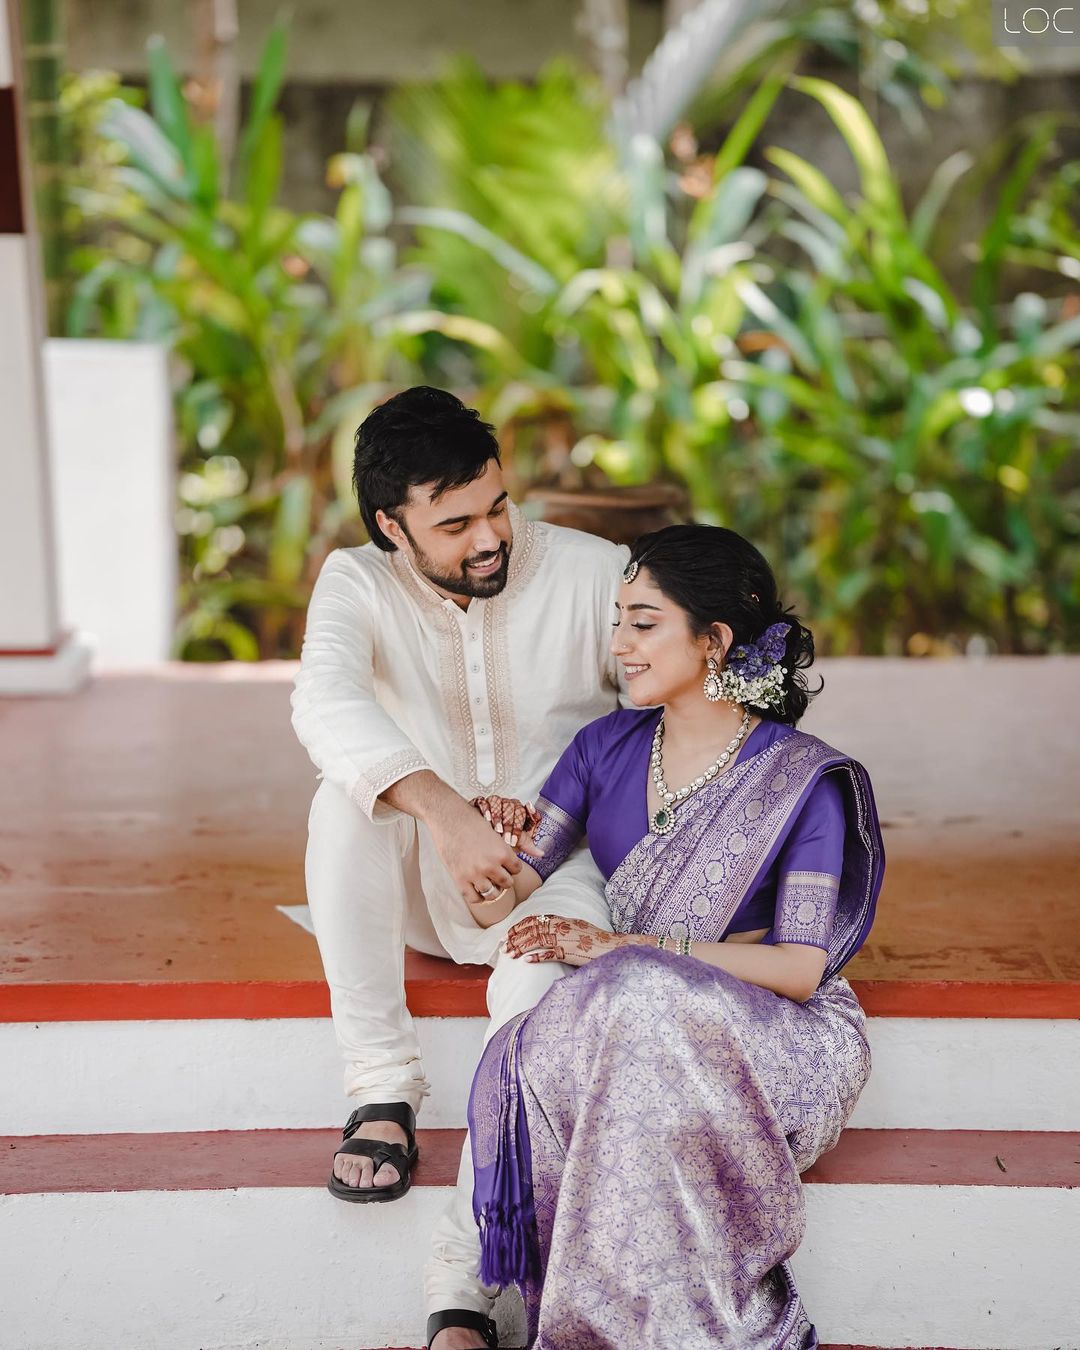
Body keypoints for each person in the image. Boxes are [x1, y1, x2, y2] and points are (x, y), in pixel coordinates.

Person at [464, 524, 885, 1349]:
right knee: (588, 1023)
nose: (617, 643)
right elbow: (496, 900)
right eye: (618, 618)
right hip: (634, 1031)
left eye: (643, 622)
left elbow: (800, 970)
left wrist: (631, 950)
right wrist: (485, 836)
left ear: (715, 640)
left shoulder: (801, 779)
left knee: (634, 994)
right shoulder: (603, 749)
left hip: (777, 1042)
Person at [289, 386, 632, 1349]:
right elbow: (322, 701)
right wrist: (441, 811)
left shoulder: (593, 572)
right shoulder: (354, 582)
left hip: (554, 876)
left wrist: (559, 820)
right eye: (455, 526)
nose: (490, 539)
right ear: (392, 528)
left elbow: (674, 697)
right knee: (340, 804)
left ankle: (462, 1293)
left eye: (496, 507)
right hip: (417, 875)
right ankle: (381, 1090)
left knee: (527, 1009)